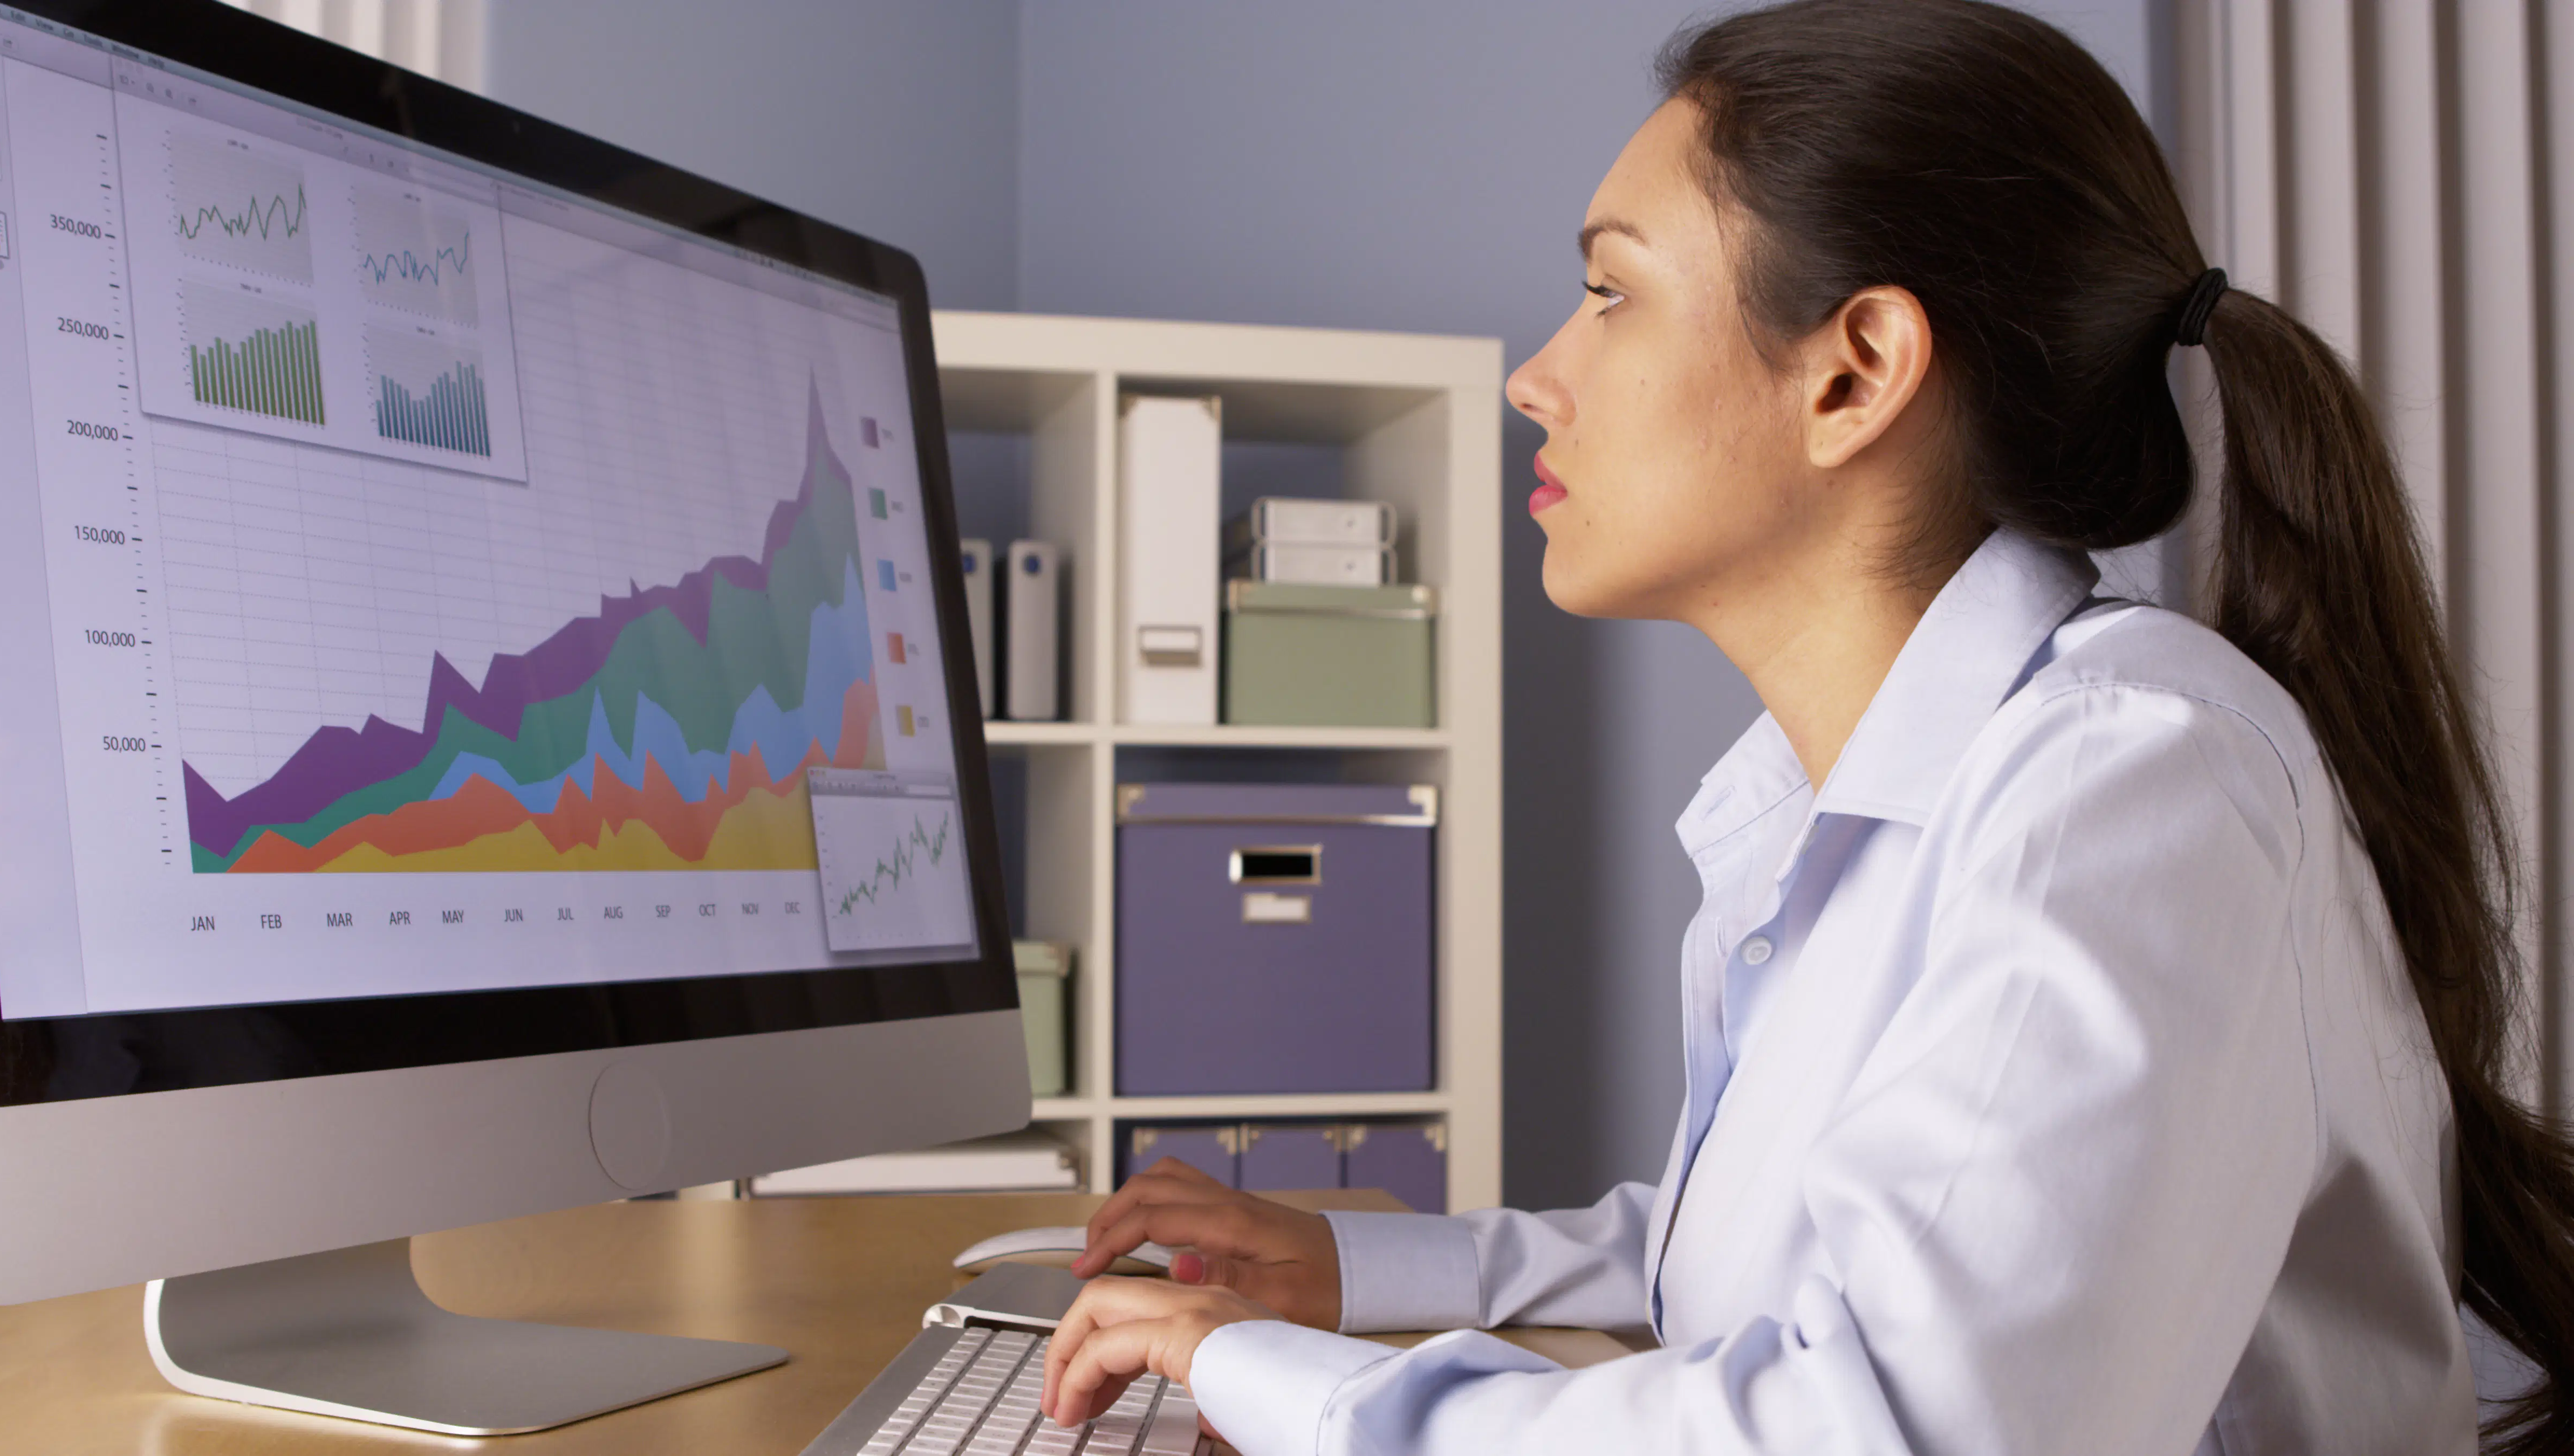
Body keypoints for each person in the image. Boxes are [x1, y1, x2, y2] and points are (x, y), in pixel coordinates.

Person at [1035, 2, 2574, 1452]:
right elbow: (1758, 1258)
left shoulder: (2132, 783)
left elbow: (1891, 1425)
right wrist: (1350, 1272)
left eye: (1612, 292)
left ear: (1855, 371)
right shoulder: (1841, 801)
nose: (1538, 377)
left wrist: (1263, 1372)